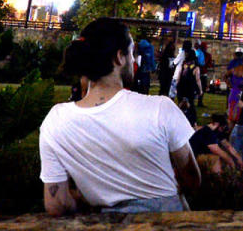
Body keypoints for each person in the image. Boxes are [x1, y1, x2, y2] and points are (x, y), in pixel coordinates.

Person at [38, 18, 200, 215]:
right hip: (166, 229)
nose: (133, 60)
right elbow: (192, 179)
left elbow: (56, 204)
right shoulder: (159, 108)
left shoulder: (56, 121)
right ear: (119, 57)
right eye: (132, 53)